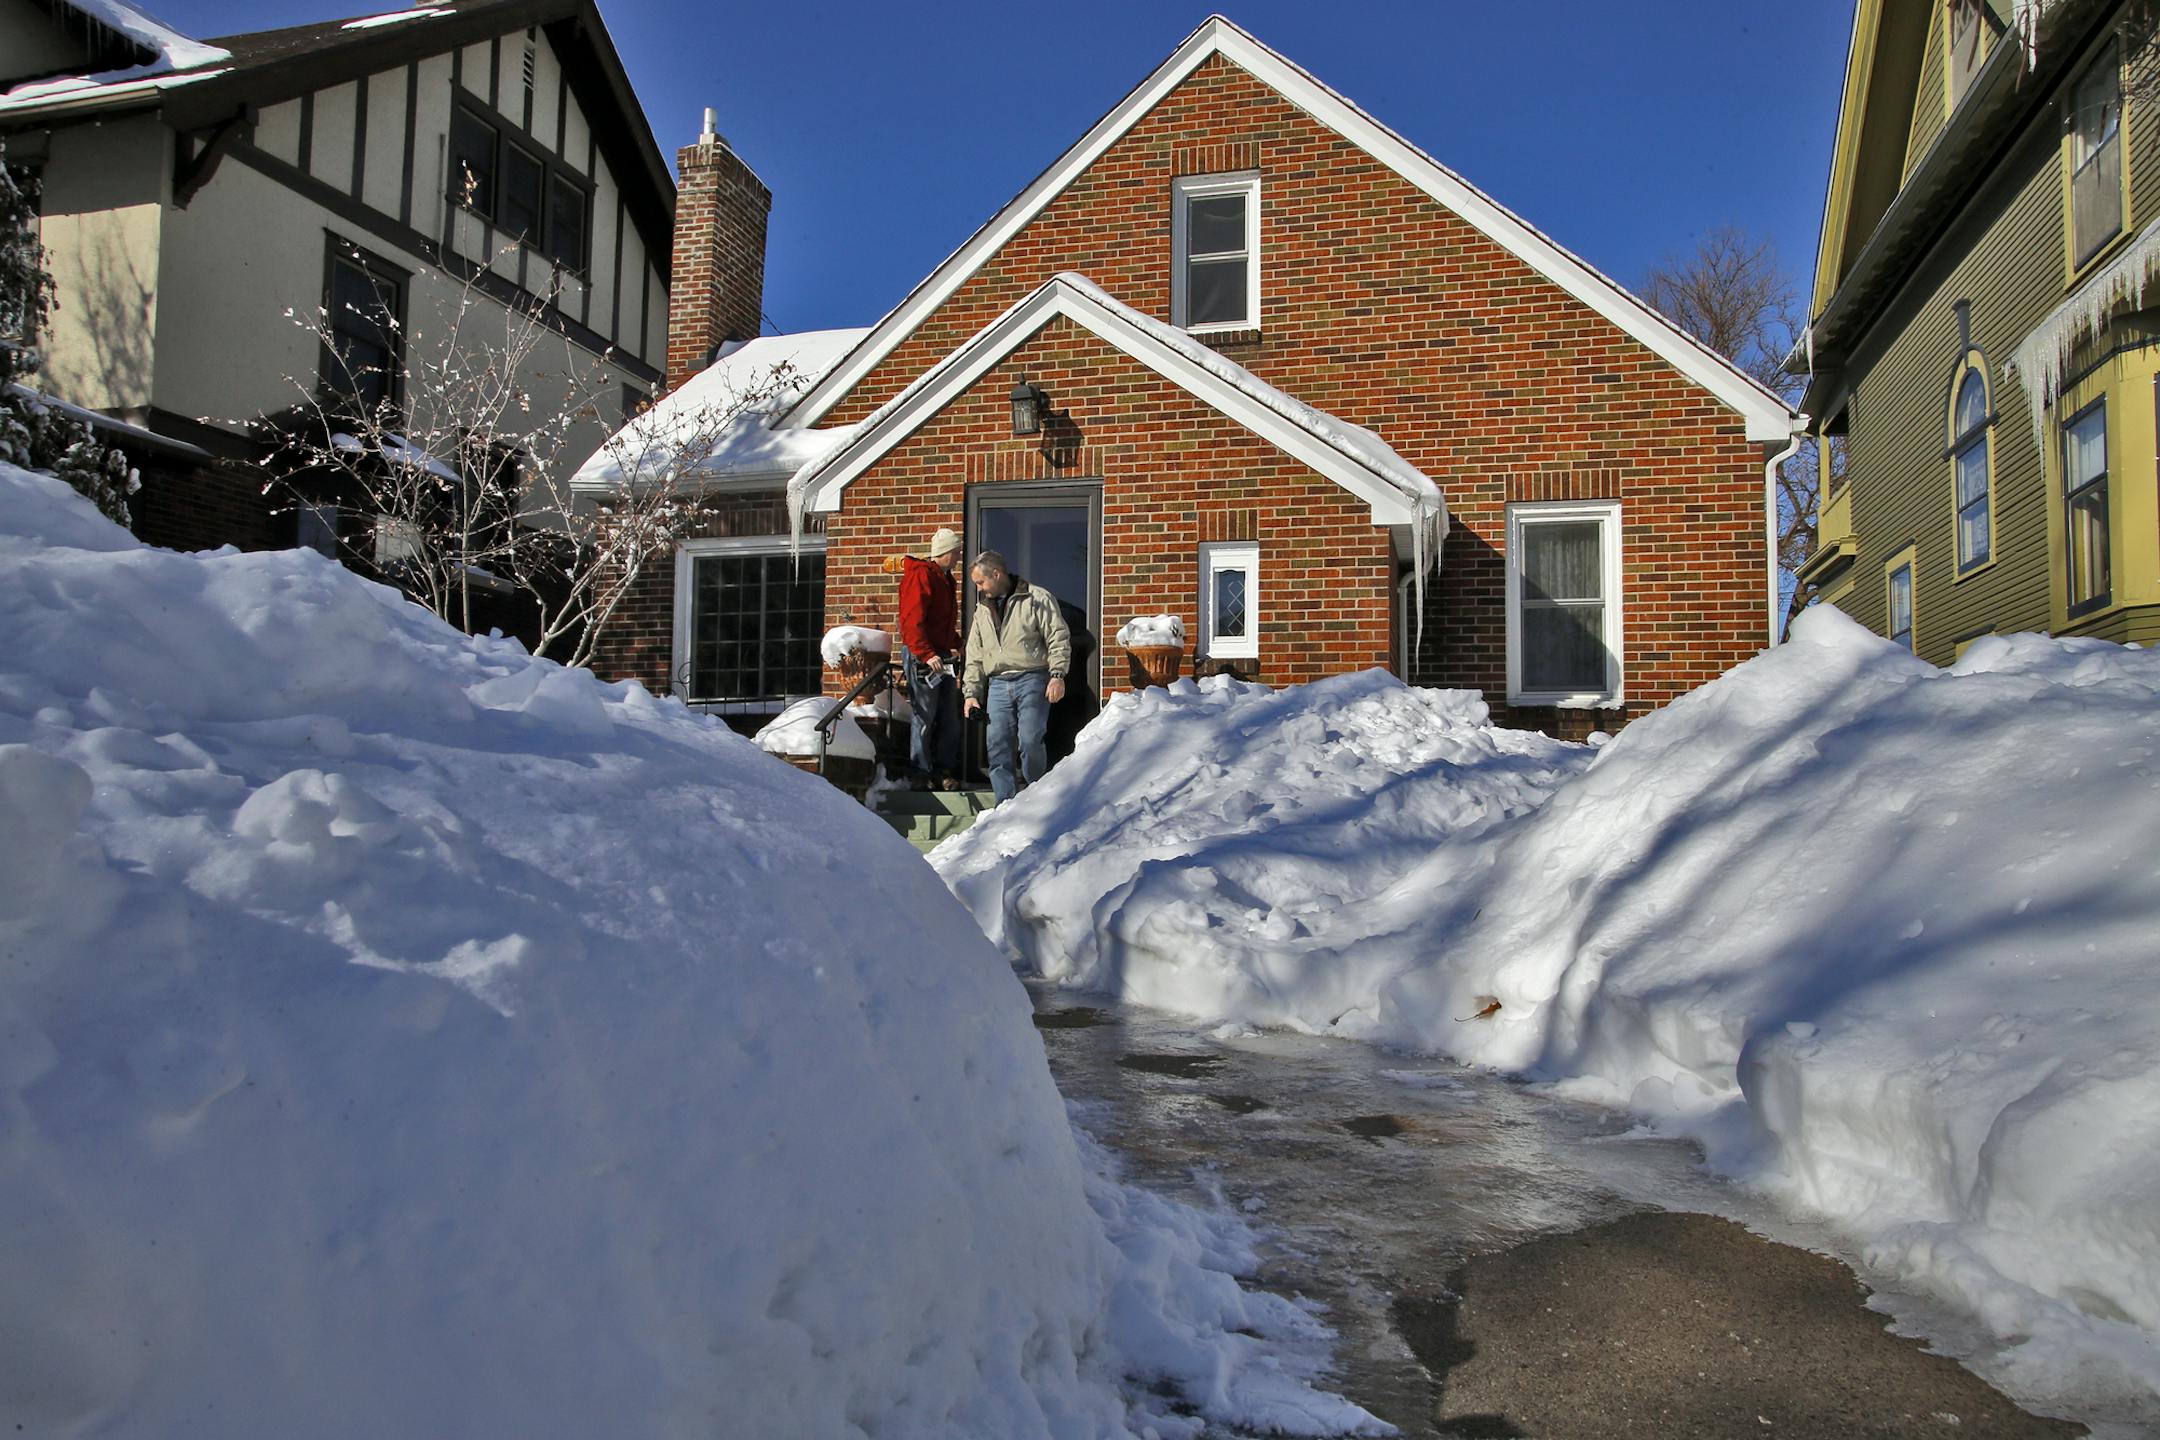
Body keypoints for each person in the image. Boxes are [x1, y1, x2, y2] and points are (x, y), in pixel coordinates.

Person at [961, 549, 1071, 806]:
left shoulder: (1036, 598)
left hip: (1032, 678)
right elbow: (974, 654)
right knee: (997, 745)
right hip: (998, 683)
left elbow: (1058, 637)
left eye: (981, 582)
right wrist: (971, 694)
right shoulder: (982, 611)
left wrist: (1057, 675)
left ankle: (1035, 799)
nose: (979, 588)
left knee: (1030, 740)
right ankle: (1005, 805)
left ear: (997, 574)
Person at [897, 526, 964, 789]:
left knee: (949, 714)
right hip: (923, 656)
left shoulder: (946, 578)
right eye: (956, 551)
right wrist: (926, 654)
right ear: (945, 552)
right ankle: (920, 772)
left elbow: (941, 622)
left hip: (942, 656)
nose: (959, 555)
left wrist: (956, 643)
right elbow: (912, 621)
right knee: (924, 713)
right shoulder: (921, 576)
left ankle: (943, 770)